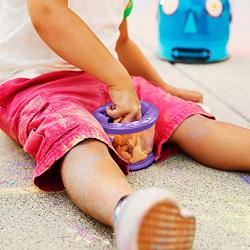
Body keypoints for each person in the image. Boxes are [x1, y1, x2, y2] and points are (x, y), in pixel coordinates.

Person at [0, 1, 249, 249]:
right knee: (80, 144)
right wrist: (118, 80)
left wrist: (161, 88)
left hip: (106, 79)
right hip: (36, 85)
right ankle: (129, 212)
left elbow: (120, 41)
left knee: (190, 121)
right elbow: (48, 13)